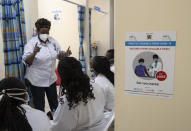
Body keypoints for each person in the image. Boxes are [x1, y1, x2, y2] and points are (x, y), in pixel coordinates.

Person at [22, 18, 72, 112]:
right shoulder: (31, 43)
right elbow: (27, 61)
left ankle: (56, 122)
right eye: (43, 32)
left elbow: (58, 55)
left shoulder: (52, 41)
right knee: (39, 106)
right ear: (37, 31)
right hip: (37, 80)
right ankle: (41, 124)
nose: (45, 35)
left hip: (51, 79)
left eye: (47, 31)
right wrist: (34, 53)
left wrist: (65, 54)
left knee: (55, 104)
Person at [51, 57, 107, 131]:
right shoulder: (95, 85)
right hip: (103, 126)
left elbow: (58, 128)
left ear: (62, 77)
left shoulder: (69, 101)